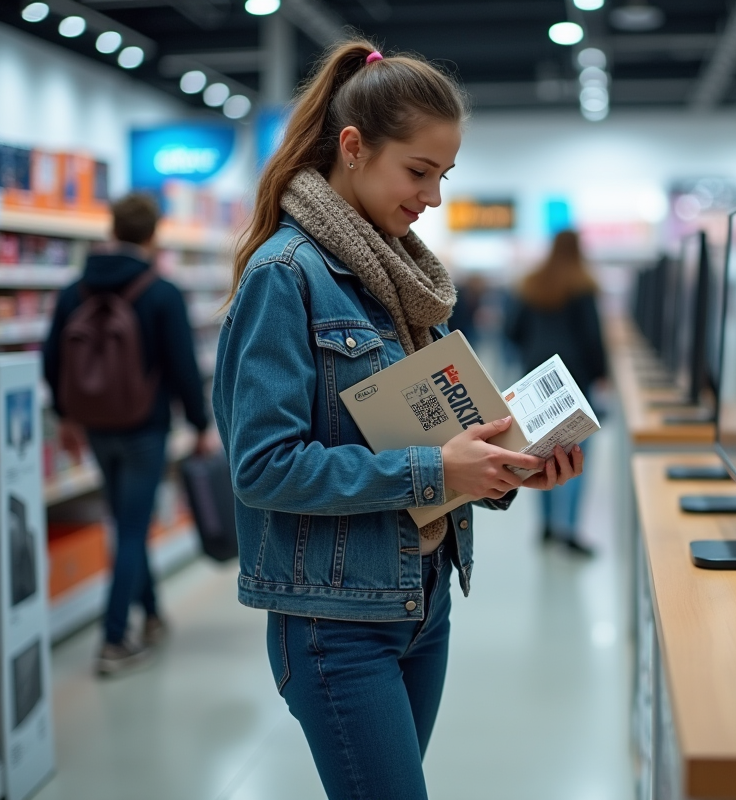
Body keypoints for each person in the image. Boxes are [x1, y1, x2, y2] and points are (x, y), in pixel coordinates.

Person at [213, 39, 584, 800]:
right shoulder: (285, 277)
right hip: (334, 623)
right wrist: (436, 470)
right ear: (353, 147)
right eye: (419, 172)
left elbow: (426, 436)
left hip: (422, 602)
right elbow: (262, 467)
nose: (434, 197)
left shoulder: (401, 278)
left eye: (444, 176)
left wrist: (505, 467)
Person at [43, 192, 212, 676]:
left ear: (111, 229)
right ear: (152, 234)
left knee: (126, 521)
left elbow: (52, 360)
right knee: (134, 528)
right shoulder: (161, 291)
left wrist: (66, 416)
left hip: (96, 426)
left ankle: (152, 613)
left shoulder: (74, 289)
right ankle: (114, 640)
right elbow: (182, 367)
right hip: (145, 427)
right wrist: (200, 425)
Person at [506, 230, 608, 556]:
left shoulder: (531, 284)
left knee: (542, 453)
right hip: (575, 382)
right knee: (576, 455)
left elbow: (512, 330)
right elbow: (593, 338)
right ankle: (570, 530)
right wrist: (602, 373)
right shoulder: (583, 286)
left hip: (536, 381)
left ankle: (548, 526)